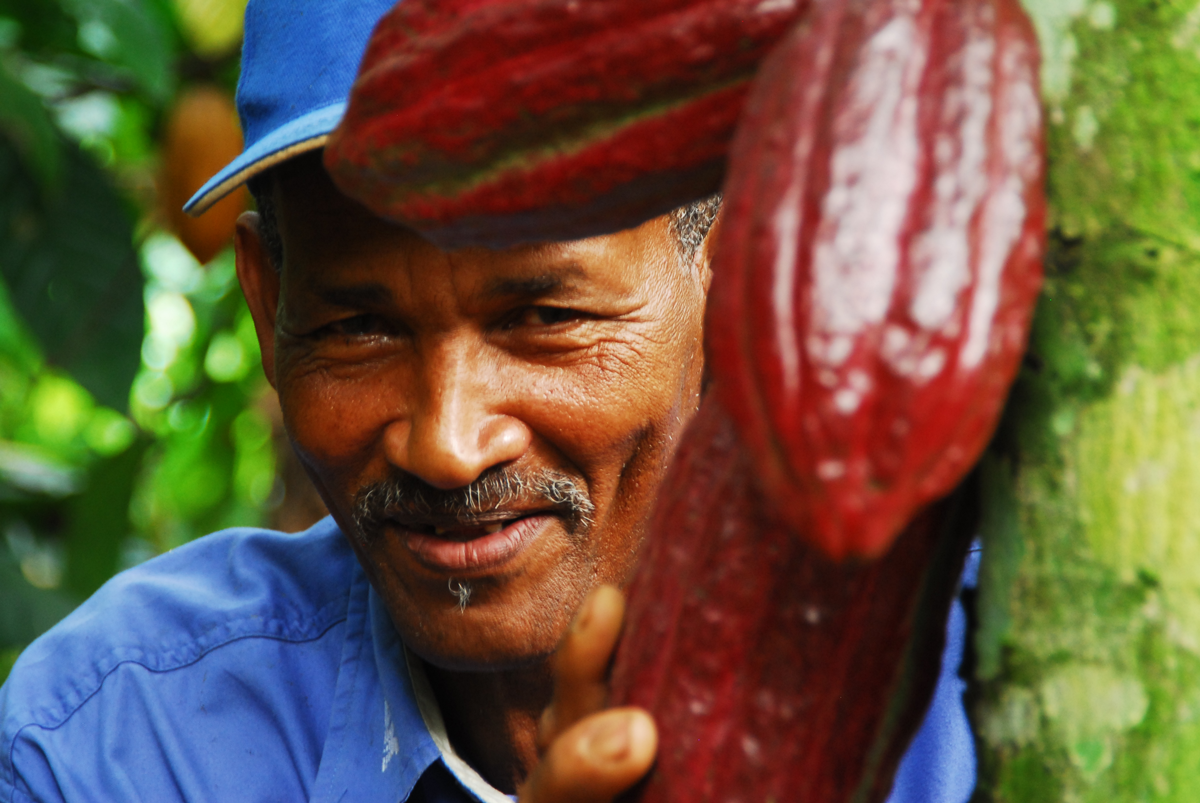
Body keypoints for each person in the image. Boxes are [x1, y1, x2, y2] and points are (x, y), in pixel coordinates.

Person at [0, 1, 978, 801]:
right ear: (267, 305)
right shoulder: (120, 744)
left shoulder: (984, 679)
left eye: (546, 316)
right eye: (358, 328)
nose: (449, 444)